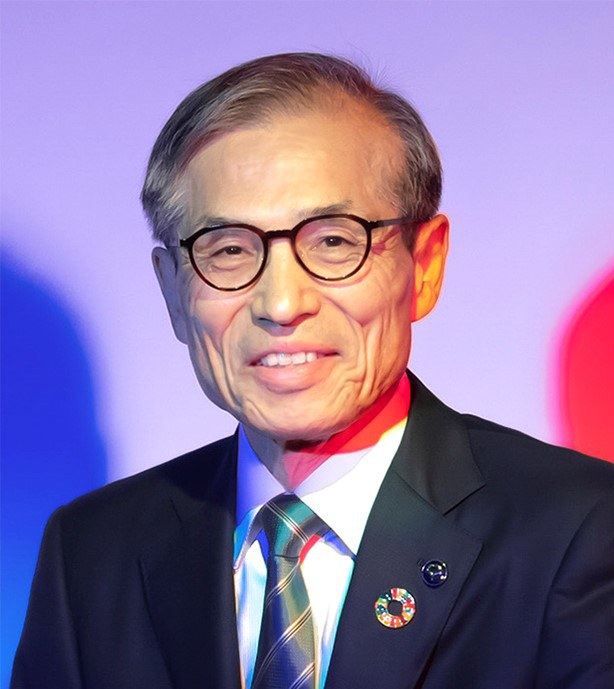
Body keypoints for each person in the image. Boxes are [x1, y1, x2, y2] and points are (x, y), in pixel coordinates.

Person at [12, 53, 614, 689]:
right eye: (229, 250)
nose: (281, 304)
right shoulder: (92, 553)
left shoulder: (577, 531)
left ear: (425, 265)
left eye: (333, 241)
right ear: (173, 293)